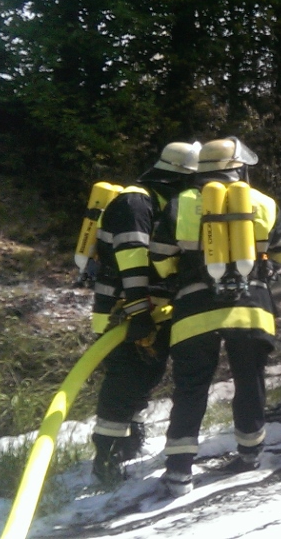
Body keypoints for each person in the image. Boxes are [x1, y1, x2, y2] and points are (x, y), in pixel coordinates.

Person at [149, 137, 281, 496]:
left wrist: (178, 279)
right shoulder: (263, 203)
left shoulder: (179, 204)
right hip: (252, 311)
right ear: (237, 167)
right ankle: (249, 455)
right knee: (250, 382)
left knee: (191, 389)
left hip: (194, 312)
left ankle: (180, 472)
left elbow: (160, 258)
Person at [89, 141, 201, 483]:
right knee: (124, 382)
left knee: (143, 379)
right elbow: (132, 259)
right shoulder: (136, 201)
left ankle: (127, 443)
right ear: (181, 175)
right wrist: (138, 313)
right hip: (123, 311)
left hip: (149, 310)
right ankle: (105, 459)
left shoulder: (161, 200)